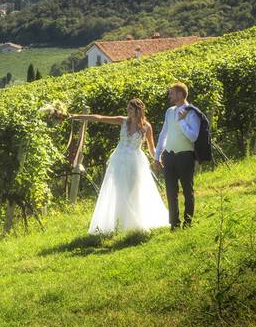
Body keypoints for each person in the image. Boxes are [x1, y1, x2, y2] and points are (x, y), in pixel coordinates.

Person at [70, 98, 170, 235]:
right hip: (118, 161)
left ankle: (135, 224)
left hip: (135, 162)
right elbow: (98, 118)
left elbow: (152, 149)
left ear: (137, 110)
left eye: (130, 108)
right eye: (127, 108)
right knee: (119, 191)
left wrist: (158, 159)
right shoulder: (122, 121)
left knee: (132, 191)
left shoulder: (146, 127)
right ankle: (120, 224)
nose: (127, 110)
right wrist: (75, 116)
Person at [153, 82, 201, 230]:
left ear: (180, 94)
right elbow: (163, 133)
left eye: (172, 93)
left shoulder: (192, 112)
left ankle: (187, 223)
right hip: (170, 156)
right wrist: (157, 155)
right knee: (171, 192)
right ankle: (174, 224)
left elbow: (193, 136)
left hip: (185, 156)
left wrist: (182, 122)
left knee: (187, 190)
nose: (169, 95)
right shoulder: (169, 112)